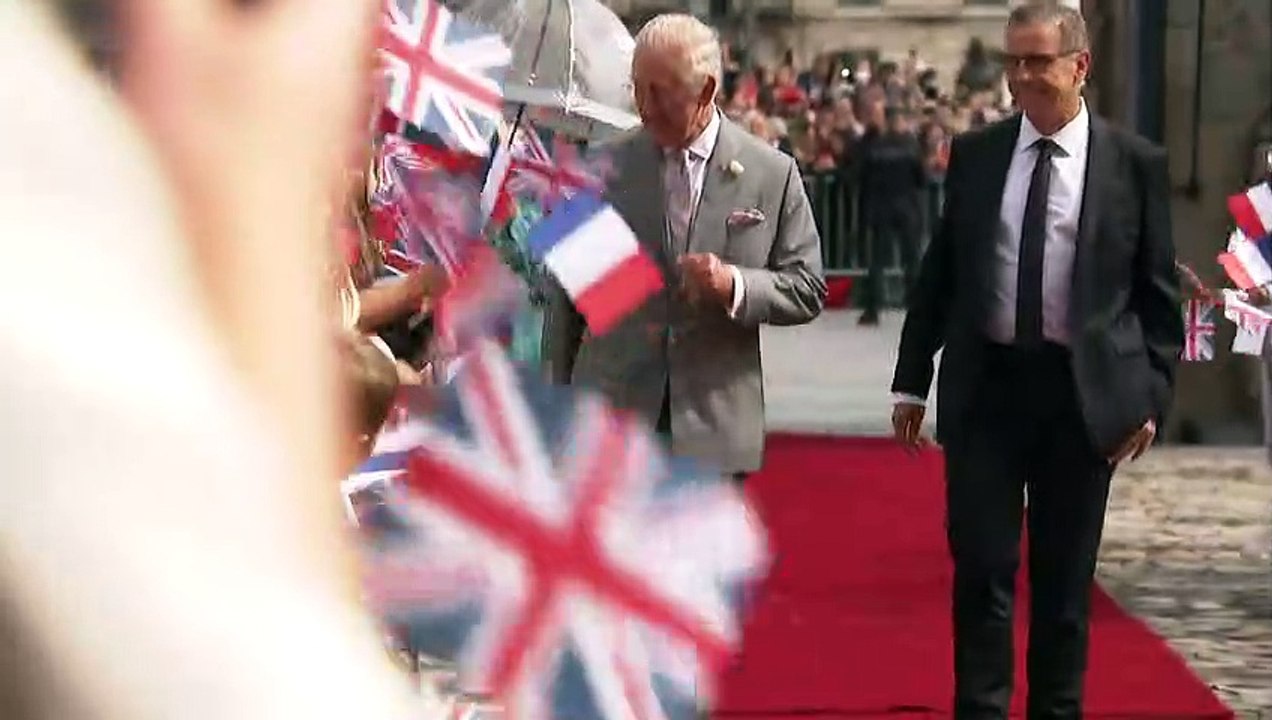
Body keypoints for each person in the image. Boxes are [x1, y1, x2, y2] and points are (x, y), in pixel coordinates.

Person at [889, 3, 1182, 718]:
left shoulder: (1133, 165)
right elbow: (941, 274)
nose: (1021, 76)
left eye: (1037, 61)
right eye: (1012, 61)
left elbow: (1156, 296)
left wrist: (1149, 396)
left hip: (1080, 399)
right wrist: (911, 380)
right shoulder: (978, 154)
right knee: (982, 571)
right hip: (987, 391)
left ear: (1080, 66)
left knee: (1062, 587)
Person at [544, 13, 826, 478]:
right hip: (614, 425)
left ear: (706, 91)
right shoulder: (598, 169)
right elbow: (565, 304)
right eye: (637, 88)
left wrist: (734, 285)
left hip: (713, 426)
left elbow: (807, 287)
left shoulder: (771, 174)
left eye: (660, 91)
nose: (644, 107)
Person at [856, 104, 926, 325]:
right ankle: (917, 308)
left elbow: (862, 174)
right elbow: (921, 177)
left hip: (881, 208)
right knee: (911, 260)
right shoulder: (911, 147)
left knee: (877, 261)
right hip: (907, 207)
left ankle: (872, 308)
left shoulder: (875, 146)